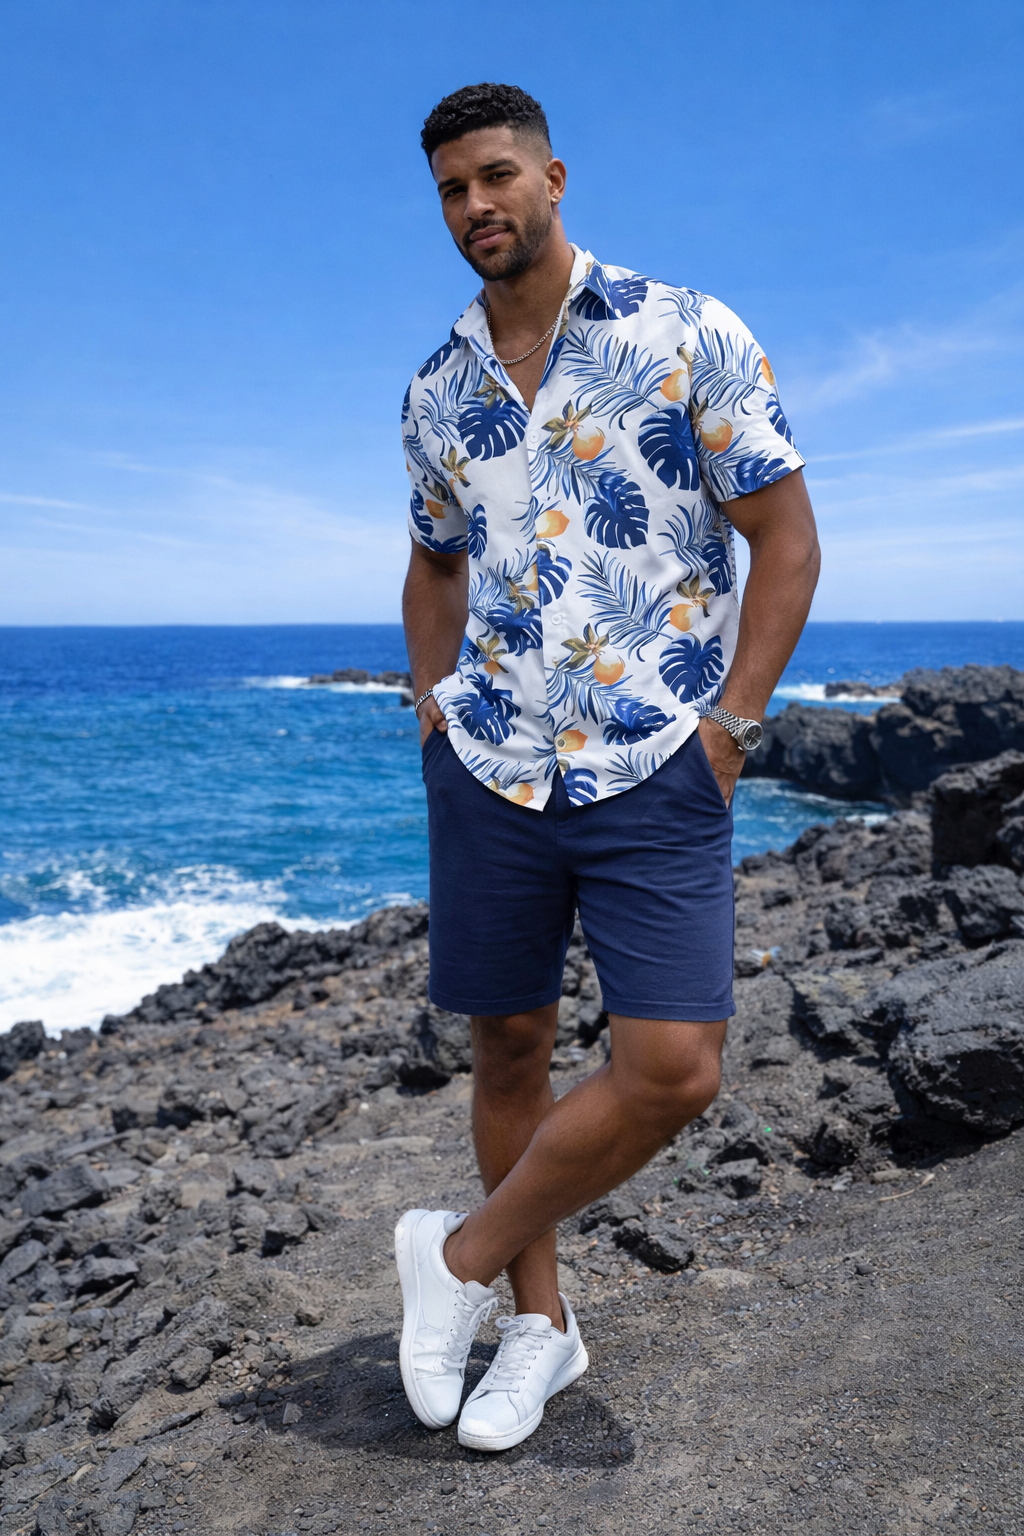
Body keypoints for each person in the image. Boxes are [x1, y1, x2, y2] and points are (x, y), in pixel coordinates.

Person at [396, 82, 820, 1453]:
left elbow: (787, 539)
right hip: (490, 764)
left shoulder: (683, 330)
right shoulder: (437, 387)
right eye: (453, 189)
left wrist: (732, 727)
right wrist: (430, 710)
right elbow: (434, 562)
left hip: (658, 759)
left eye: (497, 176)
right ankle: (539, 1324)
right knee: (509, 1044)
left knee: (675, 1067)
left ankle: (453, 1259)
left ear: (555, 177)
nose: (477, 206)